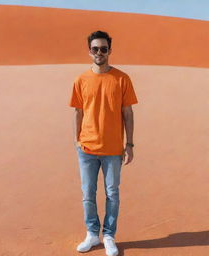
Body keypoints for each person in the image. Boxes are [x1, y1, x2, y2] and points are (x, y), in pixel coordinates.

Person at [68, 30, 138, 256]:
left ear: (109, 51)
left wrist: (130, 145)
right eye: (95, 48)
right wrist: (76, 140)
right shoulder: (81, 80)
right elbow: (78, 112)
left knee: (112, 194)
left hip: (112, 149)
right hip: (87, 149)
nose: (99, 52)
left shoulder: (121, 79)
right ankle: (91, 234)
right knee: (88, 193)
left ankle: (108, 235)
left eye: (104, 49)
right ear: (89, 51)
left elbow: (128, 113)